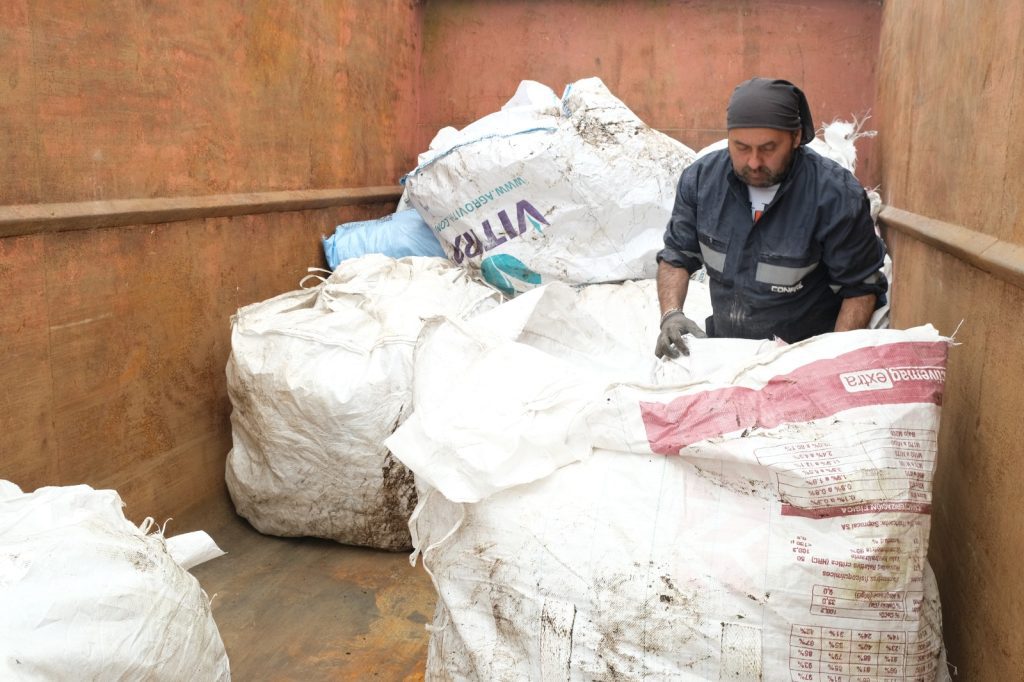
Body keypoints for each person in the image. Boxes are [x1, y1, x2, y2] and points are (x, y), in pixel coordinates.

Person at [655, 77, 888, 358]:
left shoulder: (835, 195)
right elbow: (676, 255)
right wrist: (671, 314)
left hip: (801, 354)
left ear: (797, 137)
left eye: (768, 148)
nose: (753, 162)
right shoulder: (701, 181)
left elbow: (860, 288)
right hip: (728, 349)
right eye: (741, 147)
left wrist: (828, 362)